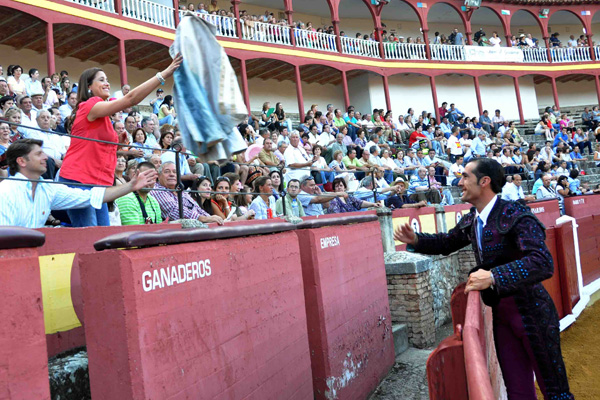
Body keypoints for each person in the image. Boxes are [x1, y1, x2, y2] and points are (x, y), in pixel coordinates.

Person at [393, 158, 573, 400]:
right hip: (502, 316)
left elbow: (542, 262)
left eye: (466, 176)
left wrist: (493, 276)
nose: (460, 182)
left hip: (534, 313)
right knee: (518, 392)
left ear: (485, 181)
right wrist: (416, 240)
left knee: (556, 392)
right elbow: (447, 242)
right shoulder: (473, 219)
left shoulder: (515, 213)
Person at [58, 54, 182, 227]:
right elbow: (131, 99)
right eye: (101, 80)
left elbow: (100, 148)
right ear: (89, 87)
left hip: (98, 185)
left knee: (103, 236)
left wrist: (120, 143)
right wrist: (164, 74)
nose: (107, 83)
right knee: (90, 238)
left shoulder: (104, 118)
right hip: (78, 181)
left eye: (107, 79)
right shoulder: (89, 105)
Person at [0, 139, 158, 228]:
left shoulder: (48, 189)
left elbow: (90, 197)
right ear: (21, 161)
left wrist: (131, 186)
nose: (46, 157)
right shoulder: (6, 190)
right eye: (39, 154)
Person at [153, 163, 223, 225]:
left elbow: (196, 208)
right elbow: (175, 211)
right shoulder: (157, 190)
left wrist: (211, 218)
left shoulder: (180, 191)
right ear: (158, 176)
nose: (172, 174)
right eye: (167, 172)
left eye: (175, 172)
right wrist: (204, 219)